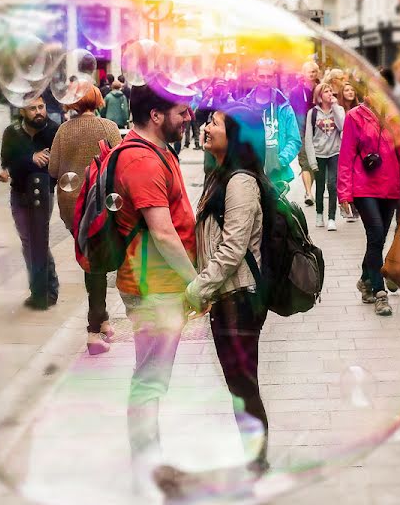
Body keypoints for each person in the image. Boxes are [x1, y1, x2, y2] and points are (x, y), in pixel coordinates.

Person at [110, 84, 196, 494]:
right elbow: (162, 234)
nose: (189, 118)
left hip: (156, 284)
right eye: (181, 112)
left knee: (151, 377)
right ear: (157, 115)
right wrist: (196, 281)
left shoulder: (153, 151)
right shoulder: (142, 161)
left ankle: (150, 462)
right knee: (149, 379)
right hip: (153, 287)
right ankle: (147, 471)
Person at [185, 105, 271, 474]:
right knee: (238, 381)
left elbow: (233, 249)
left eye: (213, 123)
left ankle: (256, 460)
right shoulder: (219, 175)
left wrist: (197, 288)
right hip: (226, 296)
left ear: (234, 135)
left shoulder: (241, 183)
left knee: (243, 381)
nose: (205, 127)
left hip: (240, 297)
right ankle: (252, 455)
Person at [48, 88, 122, 354]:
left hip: (72, 209)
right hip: (100, 205)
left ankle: (102, 322)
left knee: (92, 262)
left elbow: (54, 170)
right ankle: (93, 332)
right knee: (96, 264)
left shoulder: (63, 130)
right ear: (98, 101)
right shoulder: (109, 126)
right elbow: (120, 163)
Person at [337, 92, 400, 317]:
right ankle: (380, 293)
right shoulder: (355, 116)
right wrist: (344, 193)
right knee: (376, 233)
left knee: (378, 239)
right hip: (364, 187)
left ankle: (365, 279)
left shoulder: (397, 117)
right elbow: (346, 156)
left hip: (391, 187)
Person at [0, 96, 60, 310]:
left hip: (44, 194)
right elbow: (7, 164)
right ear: (23, 111)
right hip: (19, 194)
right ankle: (37, 289)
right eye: (33, 108)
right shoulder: (12, 132)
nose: (38, 112)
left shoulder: (54, 131)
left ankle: (48, 290)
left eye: (41, 107)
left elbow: (58, 166)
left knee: (40, 239)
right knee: (28, 242)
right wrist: (30, 159)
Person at [242, 59, 301, 192]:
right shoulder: (245, 105)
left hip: (277, 175)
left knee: (274, 212)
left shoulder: (284, 106)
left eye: (269, 76)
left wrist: (280, 161)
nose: (265, 80)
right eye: (262, 76)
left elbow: (294, 140)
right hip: (250, 171)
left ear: (274, 77)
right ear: (254, 76)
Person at [306, 83, 346, 231]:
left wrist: (335, 107)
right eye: (326, 91)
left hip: (335, 152)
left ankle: (331, 218)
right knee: (320, 186)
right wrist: (312, 160)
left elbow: (342, 127)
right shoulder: (313, 113)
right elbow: (309, 137)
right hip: (318, 154)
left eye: (331, 91)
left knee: (332, 184)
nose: (330, 93)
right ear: (319, 96)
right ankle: (319, 213)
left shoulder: (339, 109)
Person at [290, 61, 319, 205]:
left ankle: (310, 189)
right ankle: (308, 193)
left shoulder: (321, 89)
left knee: (315, 163)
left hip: (320, 131)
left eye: (314, 71)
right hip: (301, 130)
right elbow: (292, 112)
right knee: (305, 162)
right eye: (309, 71)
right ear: (304, 74)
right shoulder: (296, 91)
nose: (312, 74)